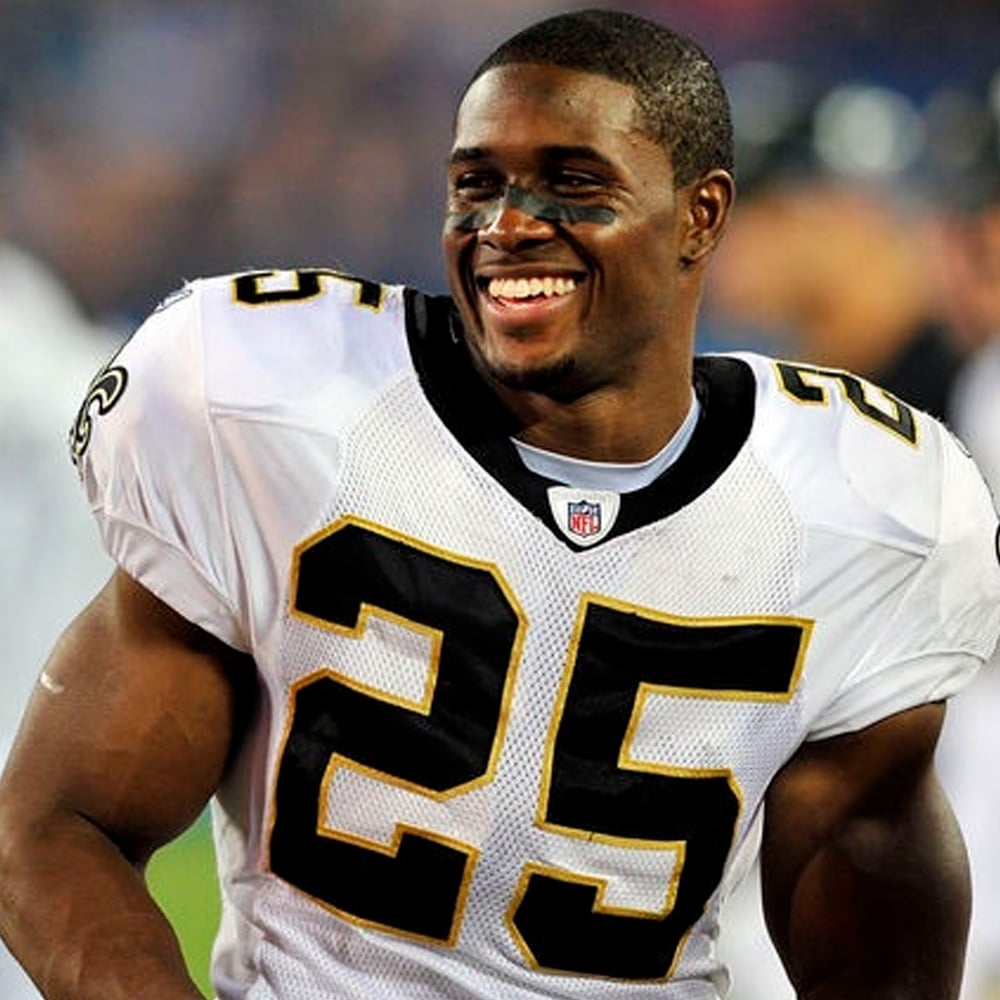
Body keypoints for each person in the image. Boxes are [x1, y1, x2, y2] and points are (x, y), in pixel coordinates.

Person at [0, 9, 998, 1000]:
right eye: (475, 182)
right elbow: (56, 825)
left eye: (573, 184)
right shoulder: (275, 407)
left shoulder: (864, 505)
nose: (508, 224)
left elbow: (877, 945)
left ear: (700, 216)